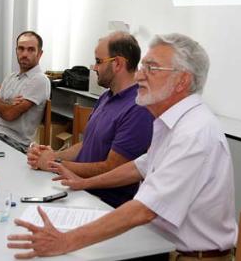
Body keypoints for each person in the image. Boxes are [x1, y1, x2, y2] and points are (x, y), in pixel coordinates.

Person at [7, 33, 238, 260]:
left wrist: (65, 241)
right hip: (159, 243)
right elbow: (140, 166)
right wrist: (84, 183)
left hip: (188, 255)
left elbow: (144, 209)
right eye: (143, 67)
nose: (139, 76)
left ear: (182, 81)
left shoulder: (193, 133)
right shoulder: (171, 121)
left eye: (152, 68)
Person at [27, 31, 154, 208]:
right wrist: (52, 155)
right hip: (79, 189)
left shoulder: (138, 108)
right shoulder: (106, 97)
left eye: (98, 61)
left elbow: (111, 168)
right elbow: (86, 144)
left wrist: (53, 163)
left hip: (103, 203)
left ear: (117, 63)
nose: (94, 68)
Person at [0, 31, 50, 153]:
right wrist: (6, 104)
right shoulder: (11, 77)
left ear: (40, 54)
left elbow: (10, 115)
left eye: (31, 50)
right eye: (21, 49)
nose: (24, 54)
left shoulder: (40, 80)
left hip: (12, 142)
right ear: (16, 50)